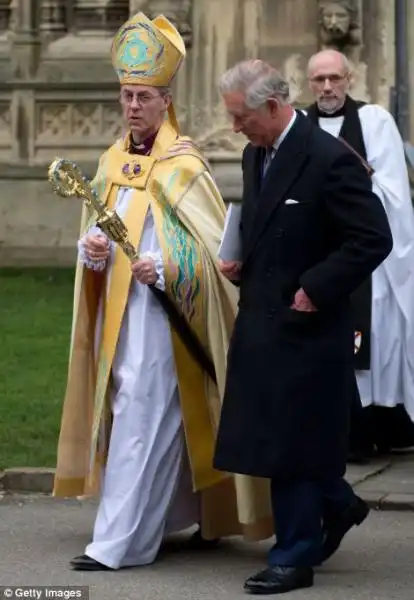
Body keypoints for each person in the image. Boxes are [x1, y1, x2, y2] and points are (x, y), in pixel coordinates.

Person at [52, 14, 273, 572]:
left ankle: (117, 543)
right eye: (126, 95)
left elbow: (215, 252)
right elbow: (99, 223)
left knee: (145, 416)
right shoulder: (109, 161)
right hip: (118, 319)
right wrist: (93, 252)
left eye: (143, 96)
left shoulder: (185, 165)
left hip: (163, 318)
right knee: (142, 412)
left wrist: (169, 265)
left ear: (165, 100)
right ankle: (193, 514)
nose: (132, 106)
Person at [213, 59, 393, 594]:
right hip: (263, 319)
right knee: (269, 438)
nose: (234, 127)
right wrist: (243, 258)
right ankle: (338, 506)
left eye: (240, 116)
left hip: (308, 327)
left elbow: (371, 238)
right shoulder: (254, 153)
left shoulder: (328, 158)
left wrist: (317, 285)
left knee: (290, 444)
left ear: (271, 107)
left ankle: (293, 555)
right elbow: (268, 225)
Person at [304, 49, 414, 463]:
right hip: (318, 255)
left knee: (373, 338)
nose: (327, 87)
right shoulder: (300, 125)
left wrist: (348, 182)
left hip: (367, 257)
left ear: (349, 79)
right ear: (309, 83)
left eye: (334, 78)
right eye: (319, 80)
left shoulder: (374, 121)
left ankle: (373, 427)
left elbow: (392, 190)